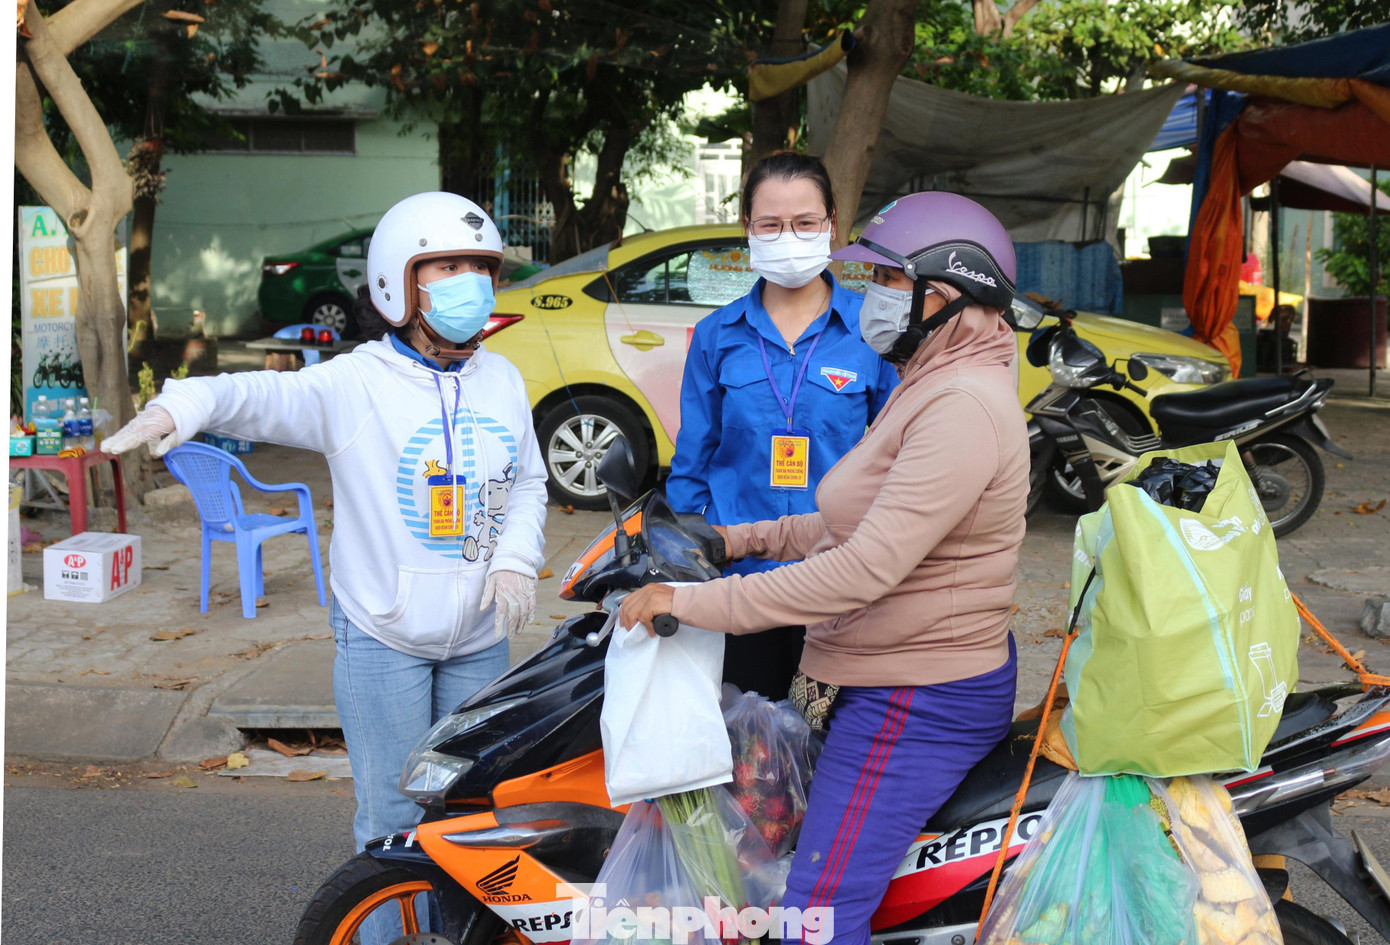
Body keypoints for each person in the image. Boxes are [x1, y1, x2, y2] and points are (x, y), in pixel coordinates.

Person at [102, 193, 548, 932]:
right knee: (391, 822)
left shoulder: (501, 379)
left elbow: (529, 480)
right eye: (447, 264)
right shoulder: (357, 382)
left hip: (480, 637)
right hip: (382, 636)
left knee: (472, 816)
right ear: (395, 282)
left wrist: (517, 559)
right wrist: (183, 405)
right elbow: (259, 395)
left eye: (479, 265)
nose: (469, 278)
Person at [622, 192, 1028, 945]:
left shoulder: (962, 406)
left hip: (916, 694)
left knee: (818, 910)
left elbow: (859, 567)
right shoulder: (932, 380)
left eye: (890, 282)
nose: (873, 298)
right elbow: (849, 517)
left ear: (945, 295)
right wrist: (736, 541)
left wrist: (694, 600)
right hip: (895, 670)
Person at [666, 151, 898, 699]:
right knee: (747, 746)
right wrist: (678, 553)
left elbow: (899, 452)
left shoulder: (873, 333)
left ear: (831, 225)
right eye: (770, 224)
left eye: (804, 223)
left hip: (838, 577)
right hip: (738, 579)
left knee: (823, 743)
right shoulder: (715, 335)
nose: (788, 236)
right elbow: (693, 459)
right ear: (748, 229)